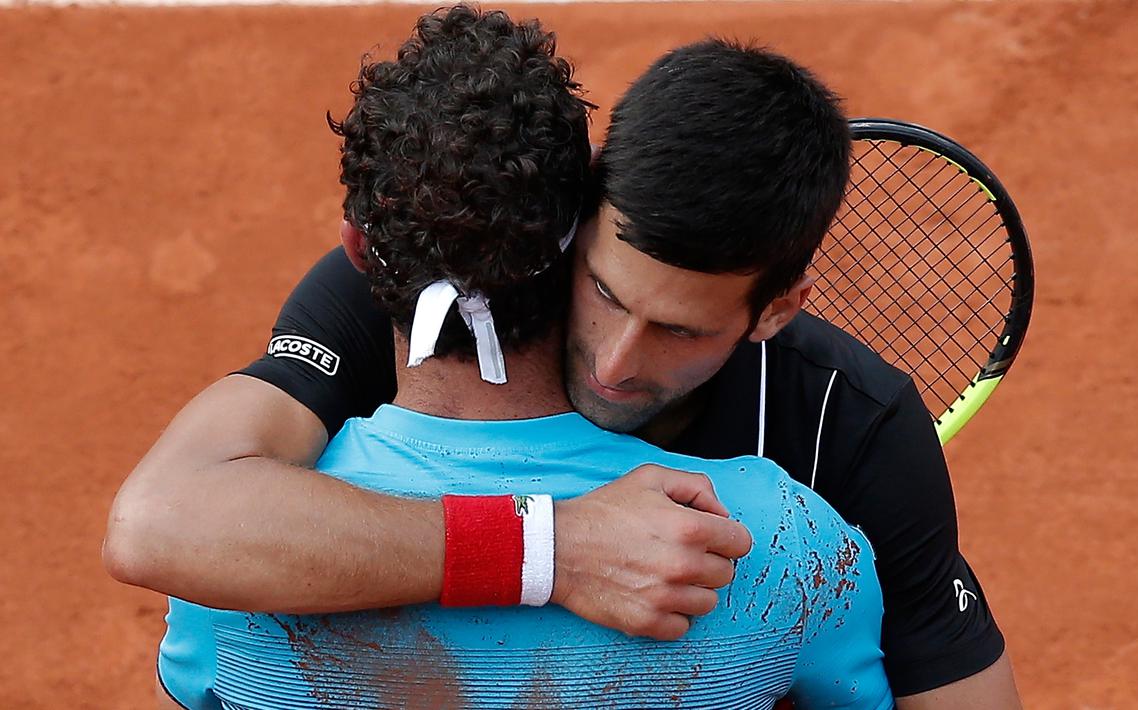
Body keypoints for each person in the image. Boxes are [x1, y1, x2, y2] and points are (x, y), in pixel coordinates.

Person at [105, 10, 1022, 709]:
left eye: (682, 331)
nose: (620, 362)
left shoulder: (850, 422)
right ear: (570, 225)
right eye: (608, 294)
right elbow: (162, 522)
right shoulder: (405, 290)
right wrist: (551, 548)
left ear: (775, 311)